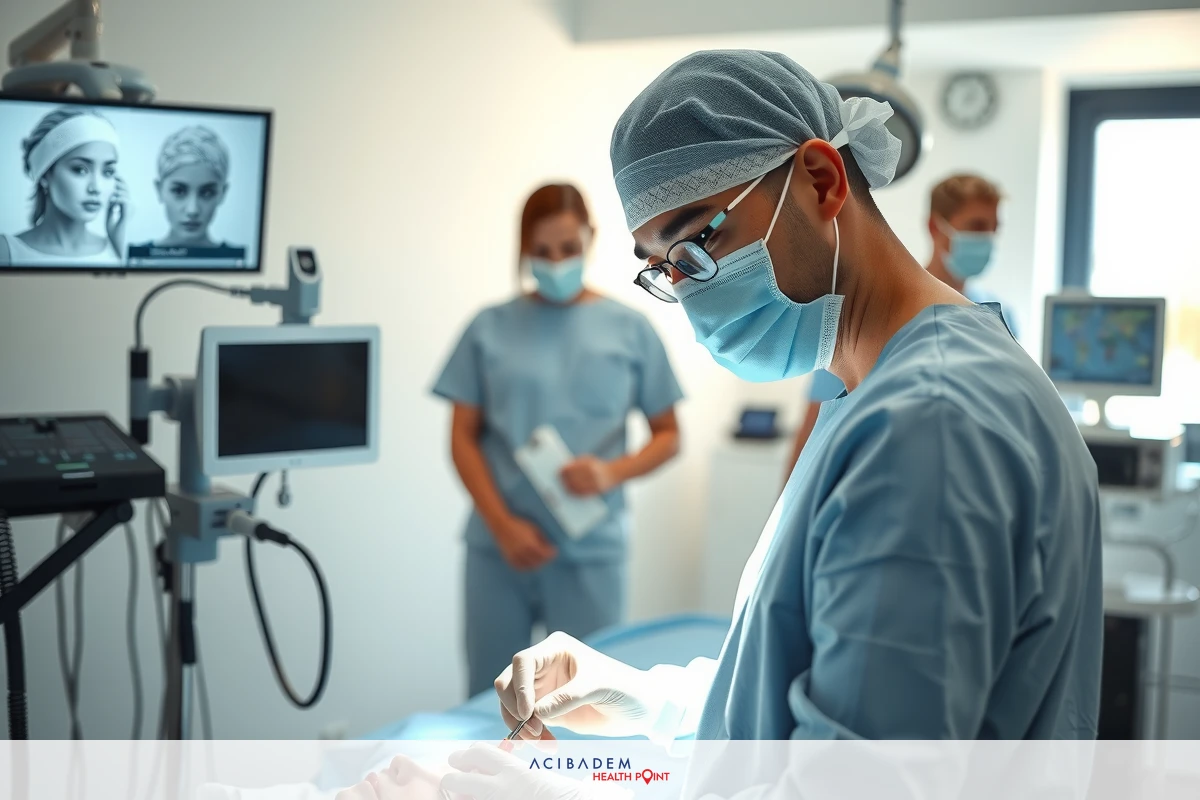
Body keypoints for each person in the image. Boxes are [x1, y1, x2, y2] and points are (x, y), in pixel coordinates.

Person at [492, 51, 1103, 745]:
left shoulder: (930, 424)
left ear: (821, 179)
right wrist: (655, 702)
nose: (692, 294)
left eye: (695, 246)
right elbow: (819, 686)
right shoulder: (876, 389)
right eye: (665, 271)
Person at [432, 183, 683, 697]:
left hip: (590, 552)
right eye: (542, 252)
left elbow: (669, 436)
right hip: (499, 549)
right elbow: (462, 437)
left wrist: (611, 472)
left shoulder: (629, 330)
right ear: (523, 248)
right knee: (491, 698)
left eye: (568, 248)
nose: (557, 262)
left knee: (585, 703)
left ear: (590, 238)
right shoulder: (489, 328)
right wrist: (501, 526)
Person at [785, 173, 1017, 476]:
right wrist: (786, 509)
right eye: (976, 227)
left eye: (993, 229)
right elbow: (815, 425)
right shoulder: (876, 311)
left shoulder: (998, 318)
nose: (988, 240)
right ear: (936, 227)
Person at [0, 108, 127, 267]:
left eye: (108, 172)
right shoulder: (7, 251)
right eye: (80, 170)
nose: (96, 187)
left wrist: (121, 250)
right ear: (45, 175)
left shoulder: (116, 250)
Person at [129, 125, 246, 261]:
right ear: (159, 190)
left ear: (223, 193)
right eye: (179, 191)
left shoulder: (236, 261)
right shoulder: (137, 259)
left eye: (207, 193)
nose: (192, 210)